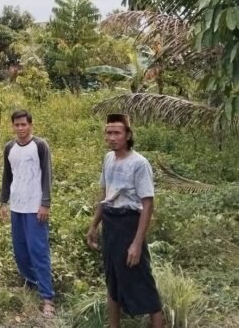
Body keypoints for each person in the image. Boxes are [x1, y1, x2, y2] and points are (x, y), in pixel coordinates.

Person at [87, 114, 163, 328]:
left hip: (129, 224)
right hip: (110, 225)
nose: (112, 137)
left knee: (142, 282)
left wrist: (137, 244)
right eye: (109, 133)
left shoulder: (139, 164)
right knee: (113, 281)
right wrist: (94, 225)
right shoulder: (108, 159)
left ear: (128, 135)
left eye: (117, 133)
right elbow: (105, 194)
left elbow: (148, 204)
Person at [0, 109, 55, 318]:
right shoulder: (9, 148)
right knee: (20, 251)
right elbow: (7, 176)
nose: (21, 128)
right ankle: (30, 283)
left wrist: (45, 203)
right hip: (17, 206)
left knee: (38, 251)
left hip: (35, 208)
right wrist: (3, 201)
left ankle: (47, 297)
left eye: (24, 124)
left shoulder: (40, 145)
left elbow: (47, 175)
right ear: (12, 126)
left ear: (31, 125)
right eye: (17, 125)